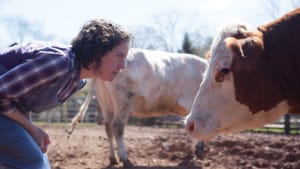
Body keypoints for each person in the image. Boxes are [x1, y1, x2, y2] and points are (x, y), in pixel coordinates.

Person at [0, 19, 132, 169]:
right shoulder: (60, 62)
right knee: (31, 161)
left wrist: (30, 130)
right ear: (98, 53)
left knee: (39, 159)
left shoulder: (77, 80)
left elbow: (19, 98)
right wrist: (31, 128)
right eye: (119, 56)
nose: (123, 66)